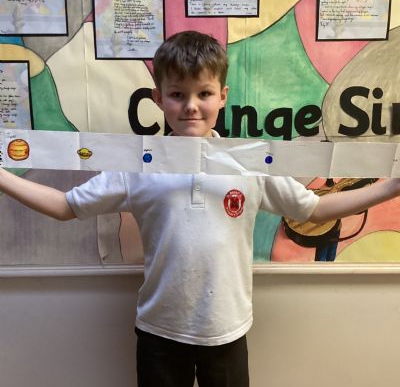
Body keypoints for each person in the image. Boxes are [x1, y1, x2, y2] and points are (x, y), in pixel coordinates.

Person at [1, 30, 400, 387]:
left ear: (222, 96)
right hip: (159, 332)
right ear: (159, 98)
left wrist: (392, 187)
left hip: (227, 331)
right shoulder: (138, 166)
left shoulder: (249, 162)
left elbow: (313, 210)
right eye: (178, 94)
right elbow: (65, 206)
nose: (191, 106)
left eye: (204, 94)